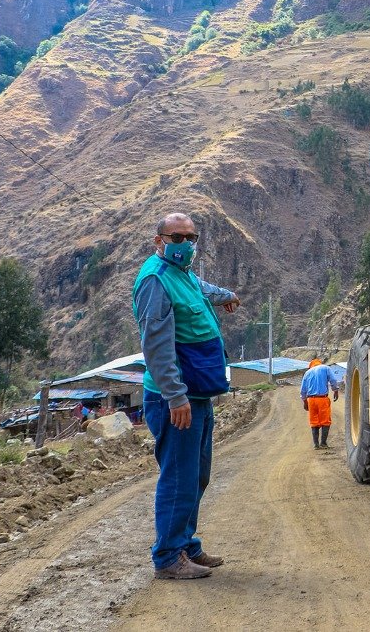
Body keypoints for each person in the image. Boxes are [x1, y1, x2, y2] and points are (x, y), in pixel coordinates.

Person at [133, 212, 241, 581]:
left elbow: (203, 288)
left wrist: (227, 296)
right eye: (176, 237)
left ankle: (185, 544)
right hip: (175, 399)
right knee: (179, 477)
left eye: (191, 238)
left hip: (196, 395)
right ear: (158, 241)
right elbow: (157, 347)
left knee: (197, 475)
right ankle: (167, 557)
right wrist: (175, 397)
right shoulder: (155, 280)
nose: (185, 245)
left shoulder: (183, 275)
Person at [299, 359, 343, 449]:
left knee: (314, 421)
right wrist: (335, 390)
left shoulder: (307, 373)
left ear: (311, 365)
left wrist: (305, 402)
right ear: (319, 363)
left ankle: (316, 445)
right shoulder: (325, 368)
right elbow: (333, 380)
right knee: (325, 421)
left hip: (311, 400)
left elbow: (303, 390)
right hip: (322, 399)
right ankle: (323, 443)